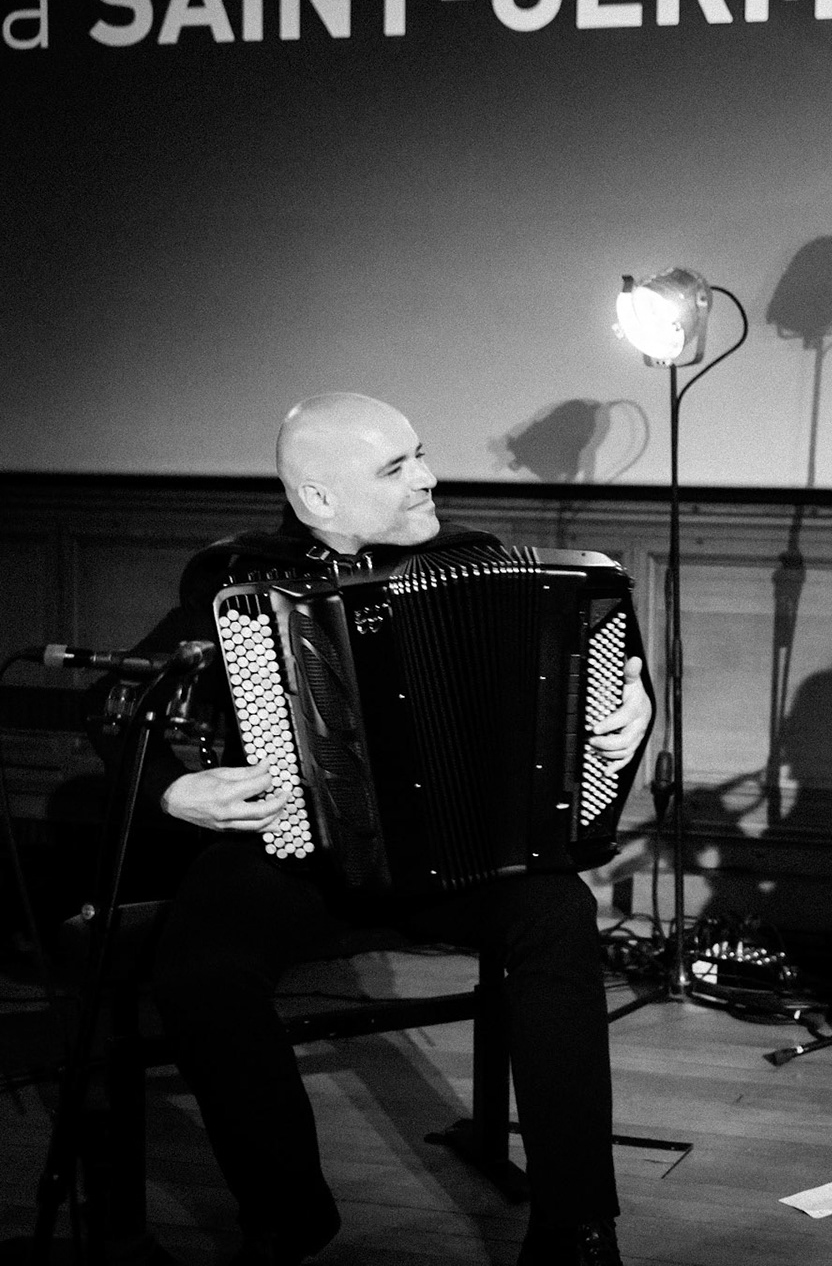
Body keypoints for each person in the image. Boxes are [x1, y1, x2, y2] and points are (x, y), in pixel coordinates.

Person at [97, 393, 654, 1266]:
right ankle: (287, 1214)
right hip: (300, 861)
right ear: (319, 498)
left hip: (472, 865)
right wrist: (176, 793)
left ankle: (576, 1226)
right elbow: (118, 702)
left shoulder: (480, 565)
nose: (429, 478)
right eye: (397, 468)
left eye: (420, 454)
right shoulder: (242, 581)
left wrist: (629, 702)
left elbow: (600, 653)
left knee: (559, 917)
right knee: (199, 967)